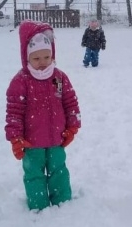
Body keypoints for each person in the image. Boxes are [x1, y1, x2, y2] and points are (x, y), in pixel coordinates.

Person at [5, 20, 81, 211]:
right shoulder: (21, 81)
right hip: (31, 143)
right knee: (34, 175)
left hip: (57, 138)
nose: (42, 63)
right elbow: (14, 112)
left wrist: (72, 127)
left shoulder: (59, 77)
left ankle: (62, 201)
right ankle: (38, 205)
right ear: (27, 57)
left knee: (59, 171)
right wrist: (16, 139)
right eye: (36, 58)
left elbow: (70, 102)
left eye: (47, 57)